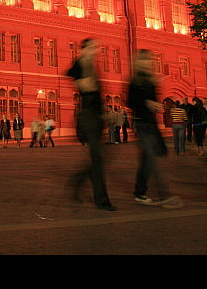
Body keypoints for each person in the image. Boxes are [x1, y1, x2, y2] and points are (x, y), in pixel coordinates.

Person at [127, 50, 181, 207]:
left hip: (151, 123)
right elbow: (130, 102)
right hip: (141, 123)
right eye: (143, 60)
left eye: (149, 60)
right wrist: (147, 103)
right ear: (138, 63)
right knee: (150, 157)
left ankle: (142, 191)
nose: (147, 62)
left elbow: (154, 102)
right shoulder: (135, 81)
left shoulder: (152, 81)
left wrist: (157, 106)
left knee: (152, 157)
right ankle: (156, 194)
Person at [66, 38, 115, 211]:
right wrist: (80, 83)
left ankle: (77, 182)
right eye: (92, 48)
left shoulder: (93, 67)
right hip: (88, 117)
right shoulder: (80, 64)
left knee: (100, 158)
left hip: (96, 116)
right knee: (98, 158)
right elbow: (70, 74)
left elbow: (97, 93)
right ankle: (101, 200)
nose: (95, 51)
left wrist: (104, 112)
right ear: (84, 49)